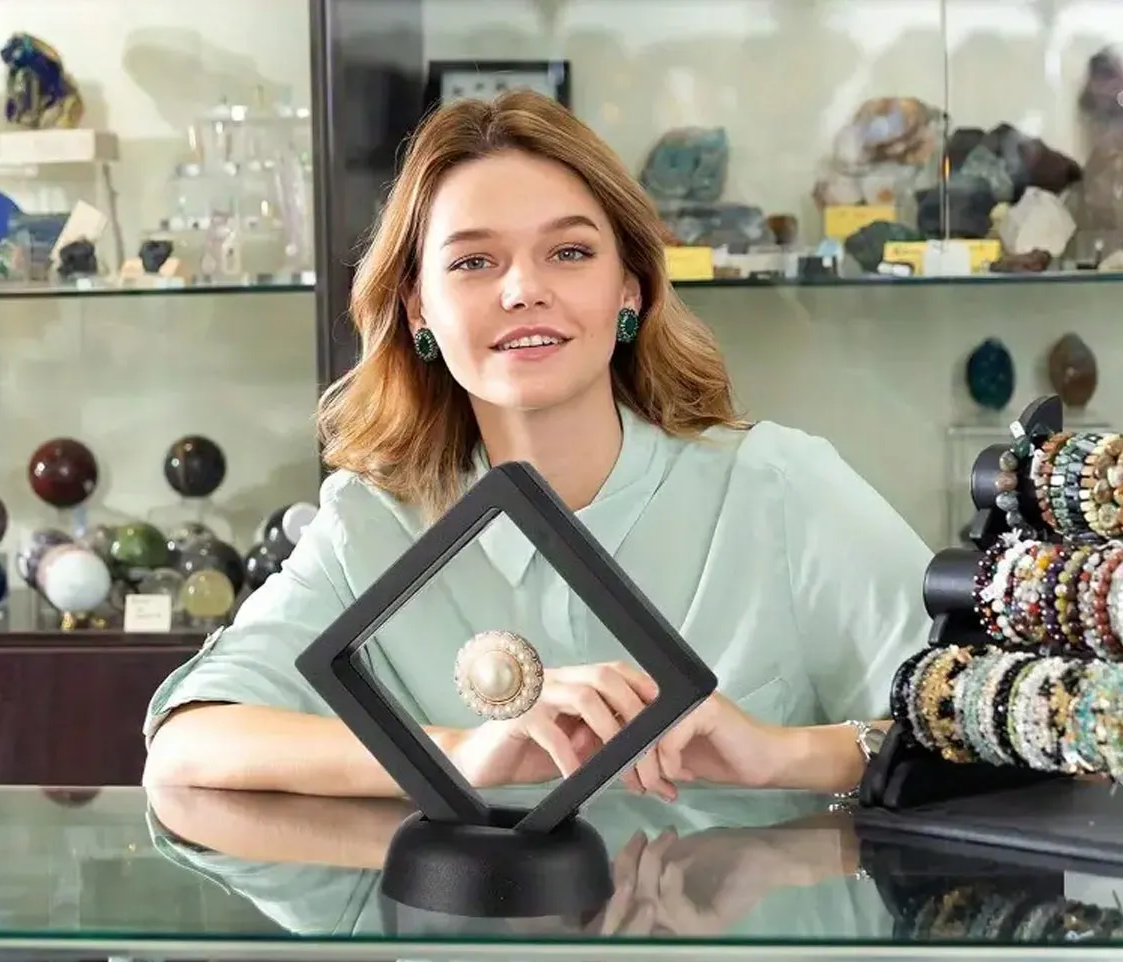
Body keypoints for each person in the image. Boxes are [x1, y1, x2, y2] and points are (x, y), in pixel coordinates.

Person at [143, 89, 930, 844]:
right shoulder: (370, 521)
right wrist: (459, 757)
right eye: (474, 262)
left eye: (569, 252)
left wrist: (775, 756)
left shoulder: (779, 485)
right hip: (472, 940)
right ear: (418, 308)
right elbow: (187, 745)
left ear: (630, 290)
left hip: (748, 938)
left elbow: (982, 720)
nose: (524, 290)